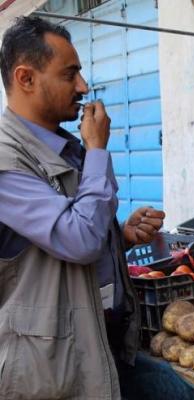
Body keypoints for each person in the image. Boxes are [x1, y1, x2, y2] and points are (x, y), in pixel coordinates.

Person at [0, 16, 177, 399]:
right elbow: (79, 239)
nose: (83, 87)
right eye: (70, 75)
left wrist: (122, 237)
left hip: (95, 341)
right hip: (48, 367)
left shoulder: (63, 147)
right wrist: (98, 151)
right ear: (25, 78)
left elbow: (78, 235)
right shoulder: (6, 161)